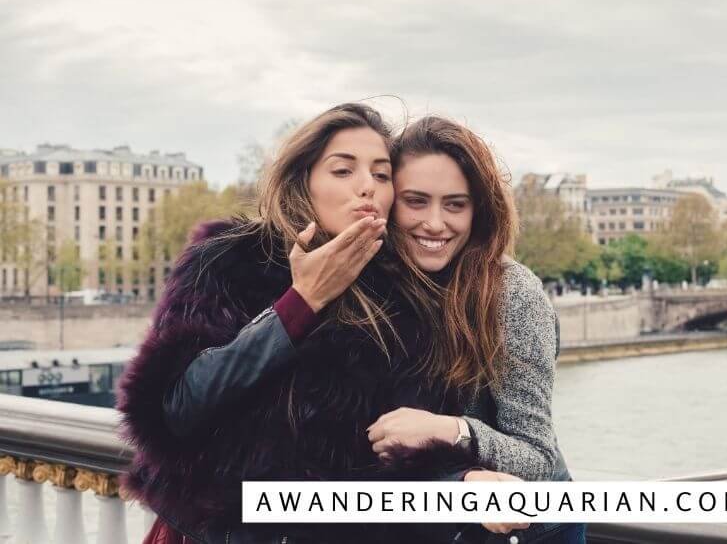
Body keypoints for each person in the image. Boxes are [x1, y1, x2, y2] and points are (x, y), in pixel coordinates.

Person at [119, 103, 577, 544]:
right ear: (304, 180)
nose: (367, 187)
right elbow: (174, 409)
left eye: (381, 174)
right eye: (343, 170)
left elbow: (390, 446)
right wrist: (302, 303)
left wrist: (460, 479)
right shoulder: (228, 259)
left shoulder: (406, 293)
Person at [369, 114, 583, 544]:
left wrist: (449, 428)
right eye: (416, 201)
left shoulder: (511, 294)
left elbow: (536, 455)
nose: (435, 223)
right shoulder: (372, 282)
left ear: (479, 210)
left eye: (455, 204)